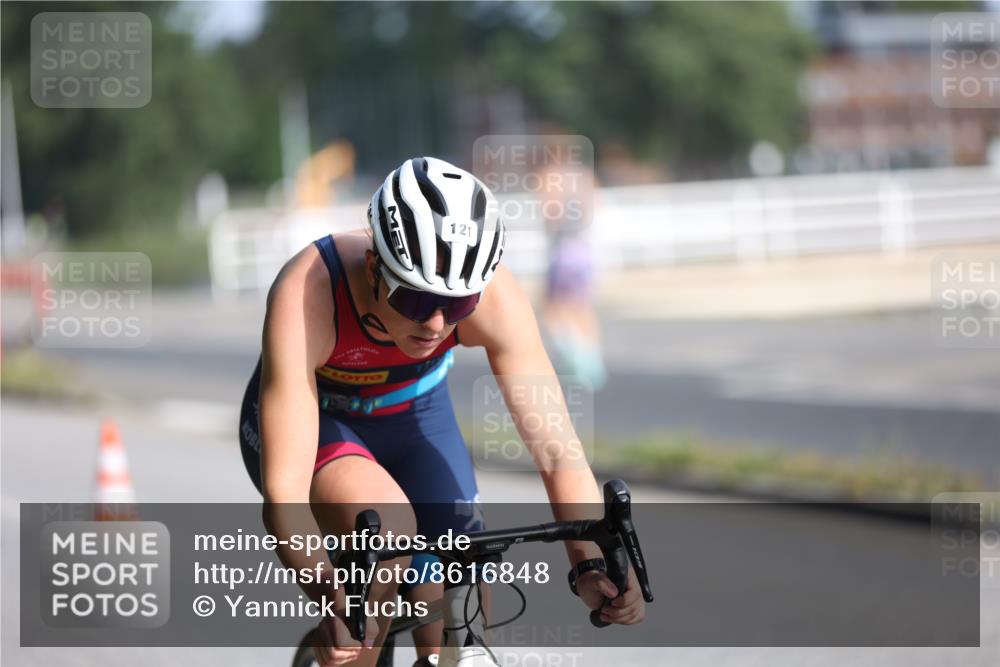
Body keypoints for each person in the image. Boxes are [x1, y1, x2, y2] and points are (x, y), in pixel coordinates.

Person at [239, 157, 645, 667]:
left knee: (463, 575)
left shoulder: (494, 297)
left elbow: (559, 453)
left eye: (455, 305)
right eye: (416, 299)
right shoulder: (307, 293)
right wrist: (332, 598)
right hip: (321, 423)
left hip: (414, 414)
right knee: (386, 537)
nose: (435, 323)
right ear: (373, 269)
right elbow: (286, 494)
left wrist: (590, 568)